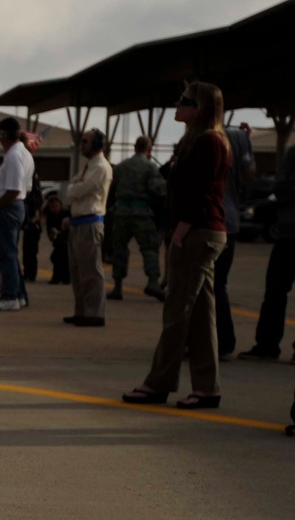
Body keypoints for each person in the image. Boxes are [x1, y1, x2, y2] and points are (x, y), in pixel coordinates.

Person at [122, 81, 230, 410]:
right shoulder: (196, 139)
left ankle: (158, 384)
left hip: (197, 232)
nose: (177, 106)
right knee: (200, 315)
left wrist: (180, 231)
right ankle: (207, 388)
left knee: (177, 313)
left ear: (200, 108)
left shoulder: (209, 141)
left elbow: (201, 191)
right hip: (199, 231)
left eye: (184, 101)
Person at [237, 143, 295, 364]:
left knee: (275, 293)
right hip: (287, 235)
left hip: (288, 232)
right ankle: (267, 345)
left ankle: (267, 345)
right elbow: (279, 188)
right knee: (274, 293)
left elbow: (284, 188)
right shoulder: (293, 153)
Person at [63, 128, 113, 327]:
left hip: (90, 221)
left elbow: (80, 189)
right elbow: (72, 189)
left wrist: (74, 189)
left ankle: (95, 313)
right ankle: (82, 311)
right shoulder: (88, 166)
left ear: (97, 144)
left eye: (85, 141)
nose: (81, 144)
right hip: (78, 222)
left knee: (91, 270)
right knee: (77, 271)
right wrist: (74, 190)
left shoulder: (100, 166)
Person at [107, 135, 166, 302]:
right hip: (141, 213)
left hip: (121, 212)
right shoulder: (150, 167)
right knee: (149, 248)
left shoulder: (121, 167)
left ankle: (117, 287)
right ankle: (153, 282)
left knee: (119, 249)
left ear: (134, 147)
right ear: (149, 149)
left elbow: (112, 189)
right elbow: (158, 189)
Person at [0, 117, 35, 311]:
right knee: (11, 254)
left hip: (9, 207)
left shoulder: (14, 155)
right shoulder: (25, 154)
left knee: (5, 254)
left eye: (0, 135)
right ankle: (19, 295)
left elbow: (13, 189)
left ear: (4, 135)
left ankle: (10, 296)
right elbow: (26, 188)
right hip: (16, 206)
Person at [216, 124, 256, 358]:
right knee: (218, 284)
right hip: (229, 221)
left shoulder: (202, 136)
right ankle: (224, 341)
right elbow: (251, 172)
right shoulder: (240, 137)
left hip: (207, 220)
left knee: (202, 287)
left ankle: (216, 341)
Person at [44, 193, 71, 284]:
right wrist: (53, 234)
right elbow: (49, 234)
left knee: (59, 258)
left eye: (56, 206)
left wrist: (60, 232)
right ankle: (63, 277)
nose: (55, 209)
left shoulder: (66, 214)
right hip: (58, 241)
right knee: (57, 258)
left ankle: (60, 277)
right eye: (52, 207)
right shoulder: (50, 217)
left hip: (66, 240)